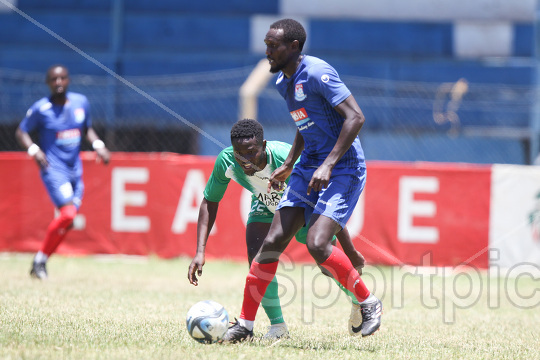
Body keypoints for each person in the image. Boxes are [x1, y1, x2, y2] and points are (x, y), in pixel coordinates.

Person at [222, 19, 382, 343]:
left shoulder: (318, 73)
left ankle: (368, 302)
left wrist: (329, 164)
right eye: (266, 45)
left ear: (293, 47)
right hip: (308, 164)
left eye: (273, 46)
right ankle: (245, 326)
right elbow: (305, 122)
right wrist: (292, 163)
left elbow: (356, 117)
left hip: (344, 167)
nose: (267, 51)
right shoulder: (283, 81)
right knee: (270, 245)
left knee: (318, 244)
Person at [188, 119, 366, 340]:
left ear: (263, 145)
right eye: (239, 153)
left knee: (325, 264)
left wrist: (349, 249)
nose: (244, 160)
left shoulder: (285, 158)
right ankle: (278, 328)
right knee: (258, 258)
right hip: (264, 204)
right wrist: (200, 251)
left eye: (251, 152)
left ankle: (360, 302)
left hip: (300, 207)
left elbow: (325, 204)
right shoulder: (226, 162)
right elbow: (209, 201)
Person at [15, 64, 110, 280]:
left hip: (75, 171)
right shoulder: (42, 108)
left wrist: (98, 145)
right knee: (67, 214)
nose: (58, 83)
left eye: (62, 78)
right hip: (53, 170)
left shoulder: (80, 103)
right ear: (48, 83)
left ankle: (40, 262)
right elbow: (21, 131)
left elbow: (87, 129)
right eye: (54, 79)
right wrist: (34, 150)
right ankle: (40, 260)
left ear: (68, 80)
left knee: (68, 221)